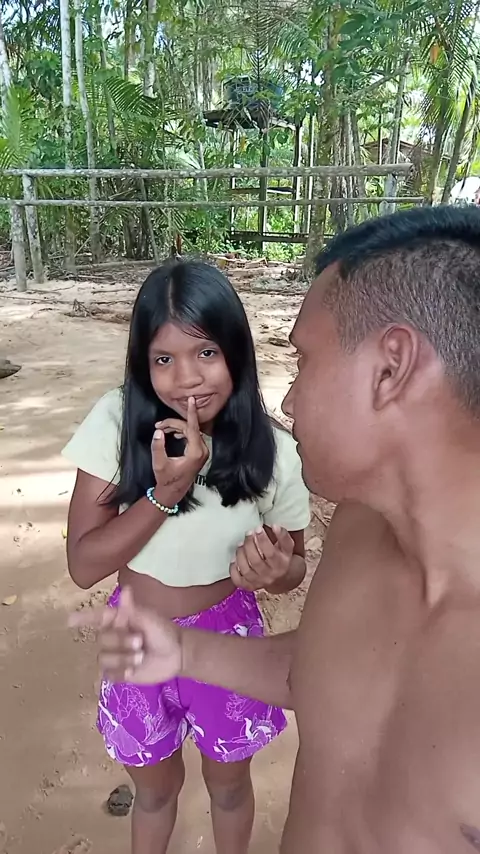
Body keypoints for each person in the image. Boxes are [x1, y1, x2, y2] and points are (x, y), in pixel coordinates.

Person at [73, 205, 480, 854]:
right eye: (165, 358)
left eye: (304, 361)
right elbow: (324, 670)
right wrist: (183, 651)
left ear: (391, 367)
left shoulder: (276, 457)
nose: (288, 399)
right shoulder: (360, 528)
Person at [62, 260, 310, 854]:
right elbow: (84, 565)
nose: (187, 379)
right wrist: (165, 494)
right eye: (163, 359)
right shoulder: (118, 422)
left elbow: (294, 566)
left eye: (206, 353)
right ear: (142, 365)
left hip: (230, 640)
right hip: (134, 633)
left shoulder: (274, 452)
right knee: (153, 792)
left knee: (229, 786)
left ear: (236, 352)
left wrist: (279, 571)